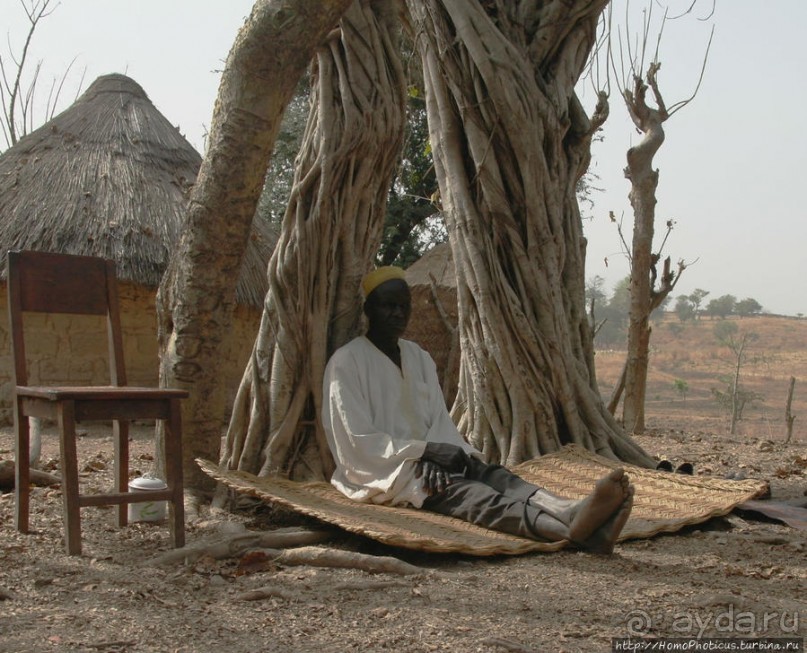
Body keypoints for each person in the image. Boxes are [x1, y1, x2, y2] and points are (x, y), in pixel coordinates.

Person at [321, 266, 634, 553]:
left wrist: (438, 453)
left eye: (404, 306)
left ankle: (566, 510)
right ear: (368, 310)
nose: (398, 313)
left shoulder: (418, 357)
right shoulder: (346, 363)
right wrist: (423, 453)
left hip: (433, 455)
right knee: (470, 494)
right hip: (388, 471)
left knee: (493, 475)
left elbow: (438, 418)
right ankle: (571, 533)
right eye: (388, 305)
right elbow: (355, 439)